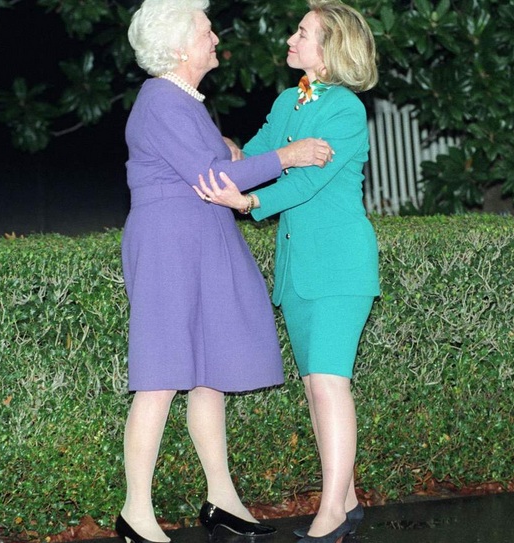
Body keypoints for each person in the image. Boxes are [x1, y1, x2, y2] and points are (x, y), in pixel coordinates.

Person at [116, 1, 335, 542]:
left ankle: (222, 501)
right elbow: (213, 178)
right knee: (160, 378)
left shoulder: (181, 101)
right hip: (170, 246)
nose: (215, 38)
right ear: (179, 47)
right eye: (206, 30)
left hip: (200, 239)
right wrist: (288, 156)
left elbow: (217, 159)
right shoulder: (160, 100)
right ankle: (135, 514)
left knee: (208, 374)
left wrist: (231, 148)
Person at [194, 1, 380, 542]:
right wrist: (211, 141)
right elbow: (254, 157)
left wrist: (250, 204)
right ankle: (346, 498)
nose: (291, 40)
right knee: (317, 386)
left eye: (302, 33)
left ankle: (331, 515)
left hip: (339, 267)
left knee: (329, 383)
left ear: (330, 48)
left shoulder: (345, 111)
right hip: (299, 271)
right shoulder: (288, 99)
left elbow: (306, 182)